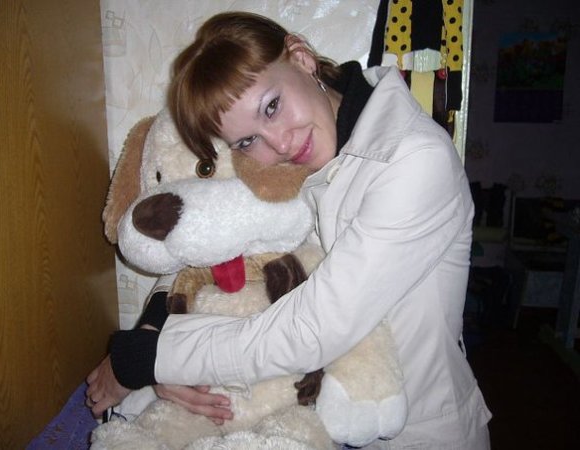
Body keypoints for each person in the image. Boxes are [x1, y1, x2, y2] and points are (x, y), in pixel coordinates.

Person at [87, 11, 492, 448]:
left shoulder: (413, 160)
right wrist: (154, 327)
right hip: (315, 421)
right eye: (246, 141)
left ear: (301, 58)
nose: (279, 143)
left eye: (272, 106)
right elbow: (222, 240)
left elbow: (314, 328)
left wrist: (153, 359)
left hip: (414, 433)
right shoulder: (313, 147)